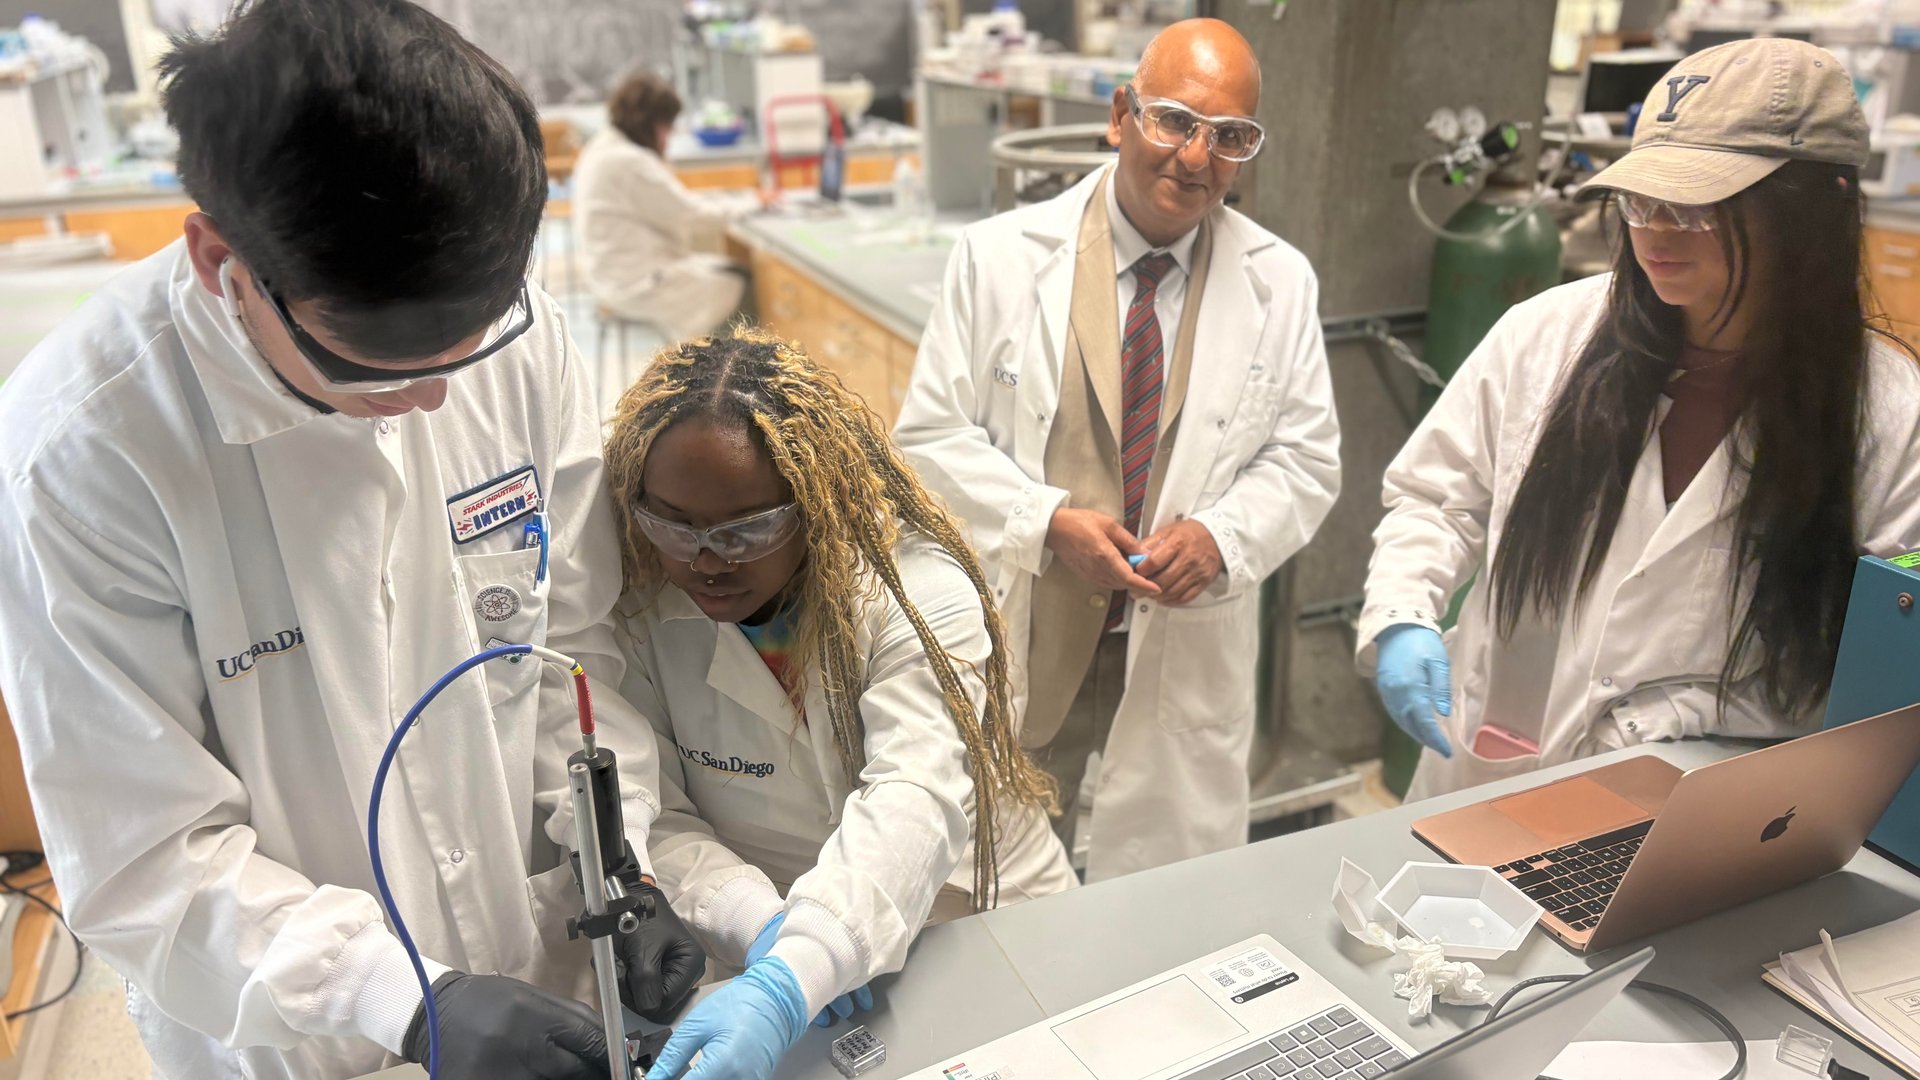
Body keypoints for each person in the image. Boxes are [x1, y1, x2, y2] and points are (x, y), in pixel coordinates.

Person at [0, 1, 707, 1076]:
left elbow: (572, 646)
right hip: (295, 1033)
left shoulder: (519, 348)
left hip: (534, 967)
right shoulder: (84, 454)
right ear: (217, 258)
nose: (432, 401)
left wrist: (621, 853)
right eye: (376, 365)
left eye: (463, 352)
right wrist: (403, 1001)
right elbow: (144, 854)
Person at [1360, 38, 1920, 801]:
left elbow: (1876, 662)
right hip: (1491, 770)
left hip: (1697, 807)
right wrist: (1403, 614)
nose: (1653, 230)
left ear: (1809, 207)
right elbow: (1438, 495)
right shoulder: (1547, 335)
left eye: (1694, 203)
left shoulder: (1886, 414)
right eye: (1639, 198)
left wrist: (1679, 716)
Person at [893, 19, 1342, 882]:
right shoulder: (996, 259)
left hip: (1178, 644)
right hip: (1029, 636)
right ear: (1119, 115)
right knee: (995, 899)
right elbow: (926, 439)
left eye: (1230, 137)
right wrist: (1045, 520)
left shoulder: (1280, 281)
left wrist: (1222, 536)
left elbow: (1306, 460)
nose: (1197, 156)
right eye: (1173, 120)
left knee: (1157, 912)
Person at [601, 327, 1075, 1080]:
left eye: (747, 529)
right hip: (780, 931)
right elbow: (658, 806)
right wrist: (759, 925)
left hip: (971, 900)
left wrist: (792, 977)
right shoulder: (641, 611)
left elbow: (912, 795)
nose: (707, 560)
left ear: (813, 501)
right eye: (673, 525)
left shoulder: (916, 593)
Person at [574, 71, 748, 344]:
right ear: (651, 123)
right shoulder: (630, 162)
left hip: (612, 274)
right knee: (743, 287)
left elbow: (672, 202)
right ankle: (719, 372)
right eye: (668, 125)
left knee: (732, 271)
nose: (670, 134)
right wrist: (752, 204)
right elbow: (692, 216)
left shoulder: (605, 145)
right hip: (635, 282)